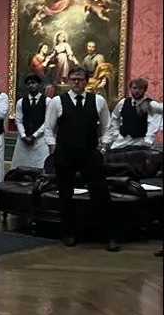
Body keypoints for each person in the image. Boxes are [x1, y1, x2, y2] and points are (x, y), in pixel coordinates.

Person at [45, 66, 116, 251]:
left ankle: (108, 235)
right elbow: (48, 128)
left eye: (80, 79)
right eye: (73, 79)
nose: (76, 82)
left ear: (86, 81)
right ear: (68, 80)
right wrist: (53, 148)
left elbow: (107, 127)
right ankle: (69, 233)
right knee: (66, 194)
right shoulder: (57, 102)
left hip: (90, 152)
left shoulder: (98, 100)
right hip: (65, 153)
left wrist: (103, 147)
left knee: (100, 193)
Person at [11, 73, 50, 169]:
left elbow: (47, 121)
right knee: (21, 167)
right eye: (28, 83)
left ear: (39, 84)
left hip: (40, 140)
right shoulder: (21, 102)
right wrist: (24, 136)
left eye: (33, 83)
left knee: (40, 166)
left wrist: (34, 136)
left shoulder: (47, 101)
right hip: (23, 140)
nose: (31, 85)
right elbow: (18, 120)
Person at [109, 78, 162, 149]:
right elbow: (115, 118)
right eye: (134, 88)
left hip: (141, 140)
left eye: (140, 89)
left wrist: (148, 140)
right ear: (130, 88)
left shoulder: (151, 104)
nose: (137, 91)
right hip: (122, 140)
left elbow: (153, 124)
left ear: (144, 90)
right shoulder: (123, 102)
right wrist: (115, 133)